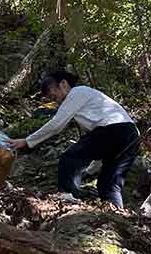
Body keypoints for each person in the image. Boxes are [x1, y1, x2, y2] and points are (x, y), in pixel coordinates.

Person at [9, 71, 140, 208]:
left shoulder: (77, 92)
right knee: (109, 184)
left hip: (116, 130)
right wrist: (89, 171)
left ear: (64, 84)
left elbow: (56, 125)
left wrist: (27, 141)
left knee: (70, 157)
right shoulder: (90, 103)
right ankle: (115, 216)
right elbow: (100, 148)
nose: (56, 101)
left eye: (54, 95)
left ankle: (66, 197)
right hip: (132, 136)